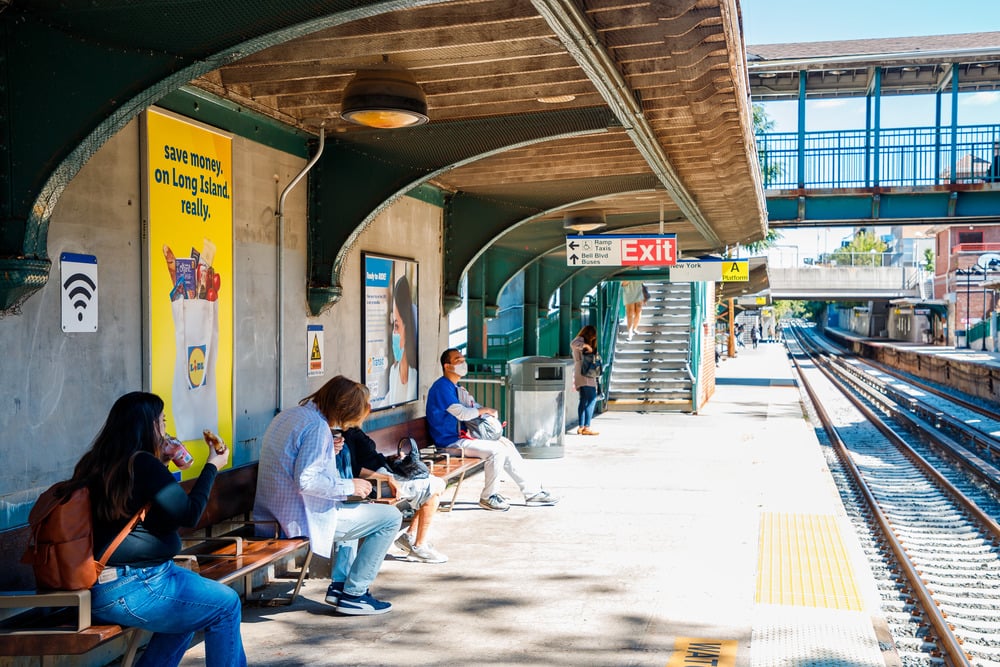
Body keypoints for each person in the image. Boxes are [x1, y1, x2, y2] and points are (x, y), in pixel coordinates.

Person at [74, 392, 245, 667]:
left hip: (105, 585)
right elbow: (189, 514)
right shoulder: (142, 464)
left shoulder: (96, 463)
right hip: (135, 586)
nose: (166, 429)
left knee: (189, 616)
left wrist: (162, 466)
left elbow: (158, 520)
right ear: (146, 426)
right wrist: (212, 465)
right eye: (162, 422)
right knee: (226, 606)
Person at [255, 376, 401, 616]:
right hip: (298, 521)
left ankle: (340, 586)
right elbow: (307, 480)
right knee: (390, 517)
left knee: (357, 511)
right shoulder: (317, 427)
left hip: (271, 515)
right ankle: (355, 594)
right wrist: (349, 486)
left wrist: (327, 451)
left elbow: (295, 459)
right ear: (344, 410)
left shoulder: (291, 415)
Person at [426, 348, 560, 511]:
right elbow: (462, 414)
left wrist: (485, 416)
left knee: (506, 445)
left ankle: (532, 493)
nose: (463, 363)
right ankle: (488, 497)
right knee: (496, 450)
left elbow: (471, 408)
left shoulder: (455, 387)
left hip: (463, 438)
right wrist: (486, 410)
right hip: (450, 442)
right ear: (447, 366)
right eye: (457, 360)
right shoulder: (442, 387)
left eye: (463, 359)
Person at [334, 425, 448, 565]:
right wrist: (387, 479)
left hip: (386, 473)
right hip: (375, 482)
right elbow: (353, 469)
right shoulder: (343, 436)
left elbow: (370, 457)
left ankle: (410, 535)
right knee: (433, 487)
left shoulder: (353, 429)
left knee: (435, 483)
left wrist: (390, 459)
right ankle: (419, 546)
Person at [385, 275, 418, 405]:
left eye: (397, 326)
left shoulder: (416, 374)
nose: (394, 333)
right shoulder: (393, 372)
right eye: (394, 325)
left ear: (408, 329)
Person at [570, 325, 600, 436]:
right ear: (589, 334)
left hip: (581, 371)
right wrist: (587, 346)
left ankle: (581, 427)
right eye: (592, 336)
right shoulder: (581, 340)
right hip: (585, 372)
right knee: (592, 399)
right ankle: (587, 427)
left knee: (583, 399)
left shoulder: (583, 341)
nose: (593, 338)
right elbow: (573, 344)